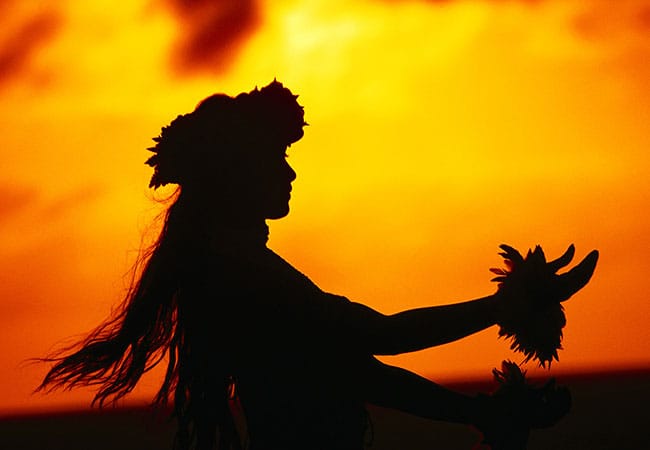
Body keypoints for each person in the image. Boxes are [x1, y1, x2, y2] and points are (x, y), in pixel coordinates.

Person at [36, 80, 598, 450]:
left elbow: (353, 369)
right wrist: (509, 304)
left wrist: (481, 412)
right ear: (238, 173)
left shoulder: (236, 266)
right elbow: (379, 337)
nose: (290, 173)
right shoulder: (245, 276)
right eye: (277, 158)